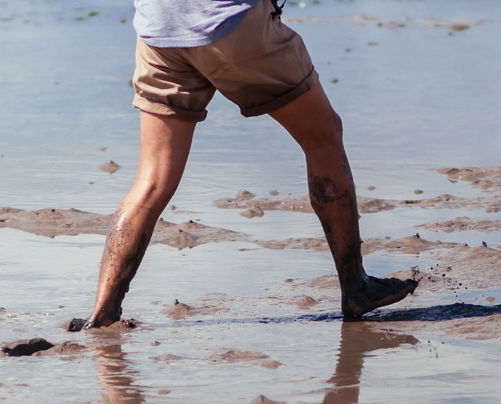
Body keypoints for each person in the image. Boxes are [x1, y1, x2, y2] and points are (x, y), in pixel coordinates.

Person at [78, 0, 417, 329]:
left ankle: (103, 313)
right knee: (323, 138)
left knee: (151, 181)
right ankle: (356, 286)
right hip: (228, 21)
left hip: (159, 30)